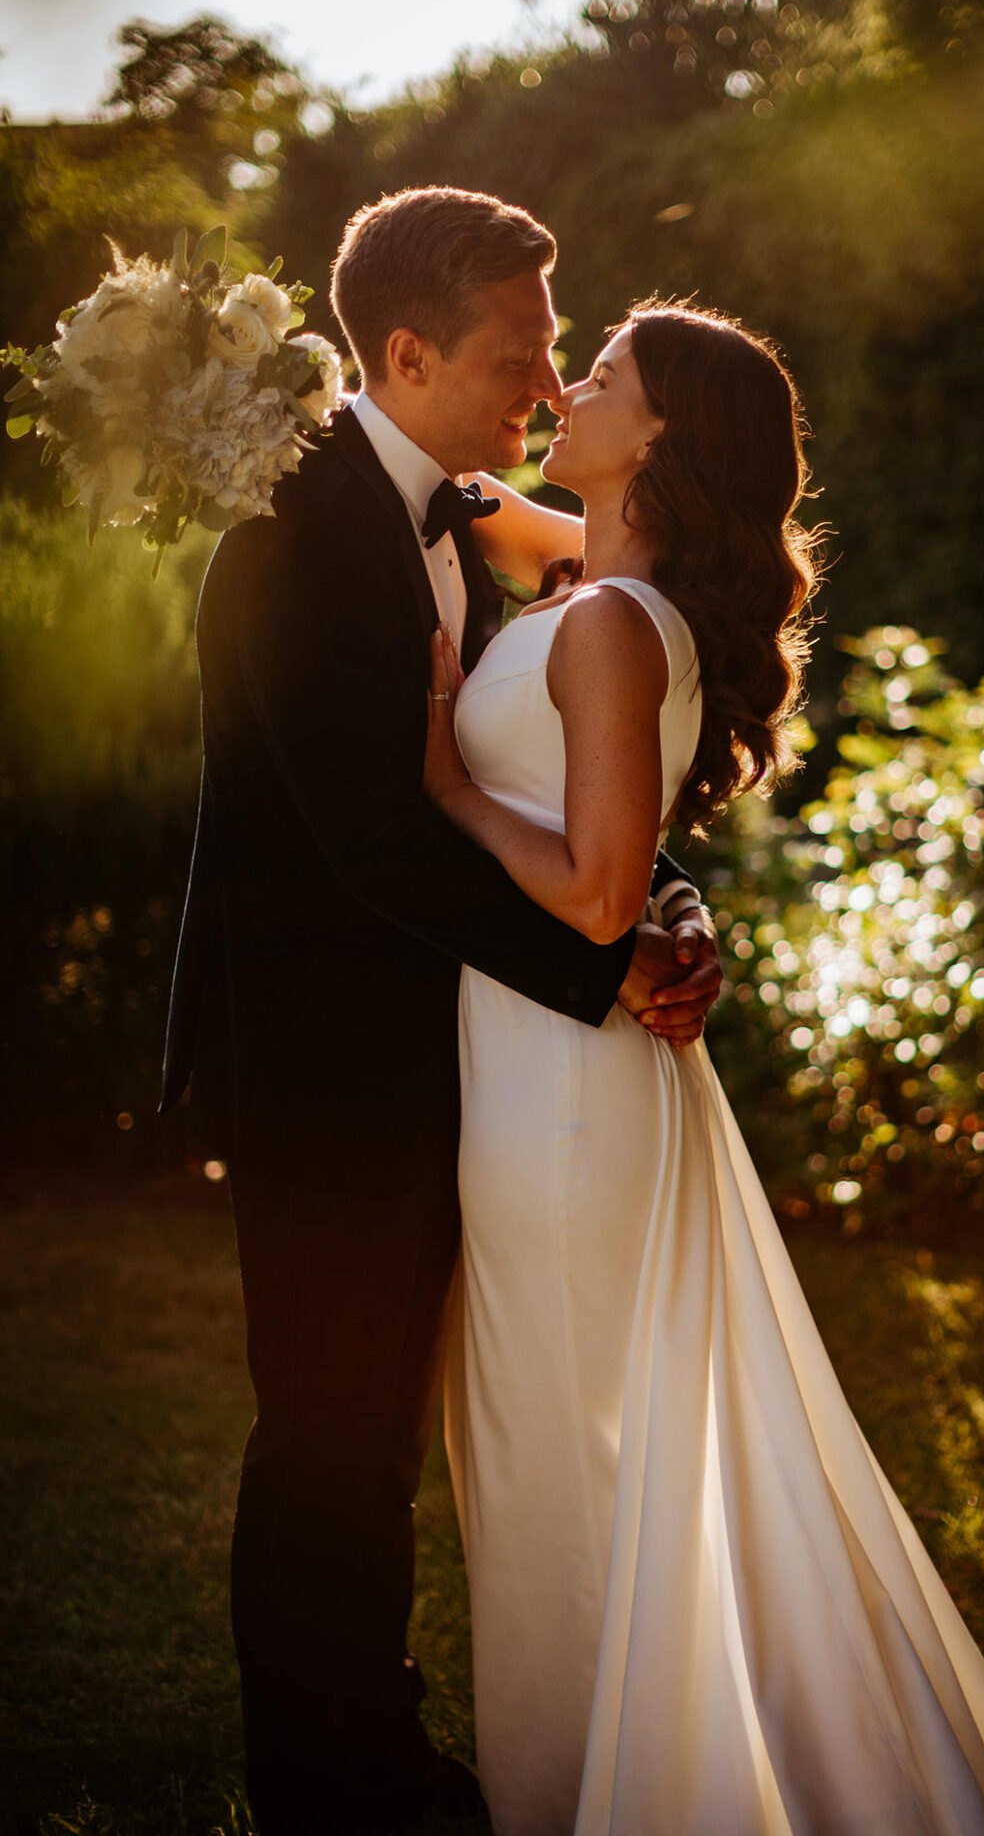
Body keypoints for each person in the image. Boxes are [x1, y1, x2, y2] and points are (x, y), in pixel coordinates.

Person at [421, 304, 984, 1836]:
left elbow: (596, 893)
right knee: (564, 1470)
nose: (562, 386)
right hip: (555, 1076)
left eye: (598, 377)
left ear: (657, 437)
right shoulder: (598, 587)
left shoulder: (603, 619)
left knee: (565, 1485)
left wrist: (449, 788)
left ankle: (606, 1797)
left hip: (560, 1098)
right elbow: (491, 517)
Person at [159, 187, 721, 1836]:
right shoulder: (290, 531)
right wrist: (602, 961)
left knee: (383, 1439)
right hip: (330, 1071)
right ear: (403, 350)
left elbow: (545, 770)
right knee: (330, 1441)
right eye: (517, 356)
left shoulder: (468, 516)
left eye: (558, 357)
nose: (545, 392)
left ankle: (377, 1747)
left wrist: (667, 902)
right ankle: (341, 1788)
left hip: (453, 1055)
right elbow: (371, 830)